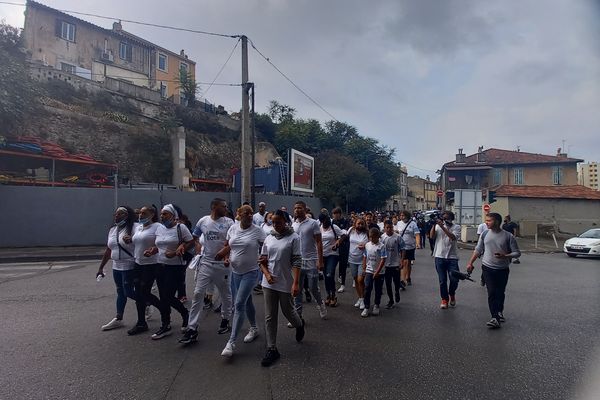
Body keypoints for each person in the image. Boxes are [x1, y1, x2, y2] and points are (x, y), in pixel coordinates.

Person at [179, 198, 235, 344]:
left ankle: (225, 319)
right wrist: (192, 247)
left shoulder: (229, 223)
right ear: (214, 206)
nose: (226, 208)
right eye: (224, 206)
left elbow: (233, 242)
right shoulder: (203, 221)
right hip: (206, 263)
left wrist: (226, 254)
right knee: (198, 293)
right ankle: (192, 328)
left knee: (225, 293)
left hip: (222, 264)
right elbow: (195, 237)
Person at [217, 205, 267, 357]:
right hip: (235, 273)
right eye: (247, 213)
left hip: (251, 272)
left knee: (238, 304)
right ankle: (254, 328)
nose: (250, 215)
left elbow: (267, 245)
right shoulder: (233, 228)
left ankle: (231, 343)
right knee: (247, 301)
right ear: (239, 214)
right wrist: (225, 257)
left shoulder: (257, 230)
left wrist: (265, 257)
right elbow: (228, 246)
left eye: (252, 213)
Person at [259, 210, 305, 367]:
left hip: (286, 282)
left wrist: (296, 283)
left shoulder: (294, 238)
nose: (275, 225)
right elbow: (262, 261)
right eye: (273, 222)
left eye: (278, 222)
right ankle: (272, 348)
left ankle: (299, 325)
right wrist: (267, 275)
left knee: (288, 312)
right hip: (269, 283)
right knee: (270, 316)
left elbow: (297, 261)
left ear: (286, 221)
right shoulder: (269, 237)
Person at [145, 204, 194, 339]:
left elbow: (190, 242)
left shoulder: (180, 228)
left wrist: (178, 250)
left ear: (173, 215)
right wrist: (152, 250)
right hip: (160, 265)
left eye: (165, 214)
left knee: (168, 296)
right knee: (163, 297)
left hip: (175, 267)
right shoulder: (160, 229)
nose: (162, 216)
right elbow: (159, 245)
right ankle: (165, 325)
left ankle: (184, 313)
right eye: (161, 214)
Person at [466, 213, 521, 328]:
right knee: (491, 292)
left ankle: (499, 311)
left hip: (502, 269)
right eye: (486, 220)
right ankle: (494, 317)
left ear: (497, 222)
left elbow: (517, 253)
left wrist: (505, 256)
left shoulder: (508, 236)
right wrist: (470, 263)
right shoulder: (485, 234)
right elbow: (478, 249)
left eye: (489, 220)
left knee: (500, 292)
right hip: (487, 267)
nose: (486, 222)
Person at [97, 206, 137, 331]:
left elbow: (141, 243)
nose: (117, 216)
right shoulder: (113, 230)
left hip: (129, 264)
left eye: (120, 214)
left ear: (127, 216)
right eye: (116, 214)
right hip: (116, 265)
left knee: (128, 291)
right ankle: (118, 318)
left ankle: (148, 302)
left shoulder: (134, 228)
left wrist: (131, 240)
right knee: (120, 291)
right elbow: (109, 250)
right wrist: (101, 268)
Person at [128, 205, 162, 335]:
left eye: (144, 213)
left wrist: (153, 249)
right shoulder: (140, 227)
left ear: (152, 214)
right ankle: (141, 322)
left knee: (144, 292)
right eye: (140, 213)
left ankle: (163, 309)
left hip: (151, 264)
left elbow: (161, 242)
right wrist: (130, 239)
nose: (140, 215)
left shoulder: (158, 227)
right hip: (138, 263)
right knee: (138, 294)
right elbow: (138, 241)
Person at [292, 201, 327, 320]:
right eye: (295, 208)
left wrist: (320, 260)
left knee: (313, 288)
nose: (297, 210)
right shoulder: (293, 224)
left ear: (305, 210)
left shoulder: (313, 223)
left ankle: (320, 304)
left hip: (311, 260)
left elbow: (318, 242)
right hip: (297, 261)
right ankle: (298, 315)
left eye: (300, 208)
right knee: (297, 288)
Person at [430, 211, 462, 309]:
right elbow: (431, 236)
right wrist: (434, 225)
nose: (444, 220)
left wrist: (443, 227)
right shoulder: (438, 226)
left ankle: (451, 293)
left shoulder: (456, 227)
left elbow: (452, 237)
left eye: (447, 218)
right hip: (439, 256)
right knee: (442, 280)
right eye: (443, 218)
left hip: (452, 257)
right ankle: (444, 299)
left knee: (454, 279)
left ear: (451, 219)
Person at [319, 213, 345, 307]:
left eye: (327, 219)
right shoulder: (319, 228)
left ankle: (333, 295)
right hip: (322, 255)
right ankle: (328, 295)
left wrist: (337, 243)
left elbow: (343, 235)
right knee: (326, 276)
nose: (327, 222)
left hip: (333, 254)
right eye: (324, 220)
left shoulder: (334, 227)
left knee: (330, 274)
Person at [361, 228, 387, 317]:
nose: (372, 239)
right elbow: (365, 256)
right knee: (367, 288)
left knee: (378, 289)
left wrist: (377, 271)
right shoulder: (367, 245)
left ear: (378, 237)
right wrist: (364, 267)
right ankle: (366, 306)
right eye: (370, 237)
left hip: (379, 272)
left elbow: (383, 260)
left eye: (373, 237)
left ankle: (376, 304)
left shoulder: (381, 246)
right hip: (369, 270)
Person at [382, 220, 404, 309]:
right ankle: (391, 300)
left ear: (393, 228)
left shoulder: (397, 237)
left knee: (396, 281)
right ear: (384, 228)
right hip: (386, 264)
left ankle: (397, 292)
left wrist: (401, 260)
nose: (389, 229)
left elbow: (403, 249)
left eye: (390, 227)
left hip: (395, 263)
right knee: (387, 283)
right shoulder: (382, 238)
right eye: (387, 227)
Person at [348, 217, 369, 310]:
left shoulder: (367, 233)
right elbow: (343, 237)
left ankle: (363, 299)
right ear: (355, 224)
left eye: (362, 224)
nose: (360, 225)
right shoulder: (351, 231)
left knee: (361, 280)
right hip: (352, 258)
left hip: (362, 259)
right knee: (356, 279)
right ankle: (360, 298)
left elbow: (372, 243)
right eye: (358, 223)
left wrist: (365, 245)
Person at [397, 210, 421, 287]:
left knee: (408, 263)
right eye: (401, 215)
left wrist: (418, 243)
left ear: (407, 216)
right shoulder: (399, 223)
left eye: (403, 215)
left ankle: (408, 277)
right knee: (404, 262)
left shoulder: (413, 224)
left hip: (410, 246)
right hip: (401, 247)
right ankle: (402, 280)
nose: (402, 217)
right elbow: (397, 233)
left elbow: (417, 234)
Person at [331, 207, 351, 293]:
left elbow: (346, 234)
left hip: (344, 245)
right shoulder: (332, 222)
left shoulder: (346, 221)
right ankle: (336, 278)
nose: (334, 216)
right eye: (333, 214)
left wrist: (340, 240)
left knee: (343, 265)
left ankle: (343, 284)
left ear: (339, 214)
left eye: (336, 214)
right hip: (335, 245)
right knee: (333, 264)